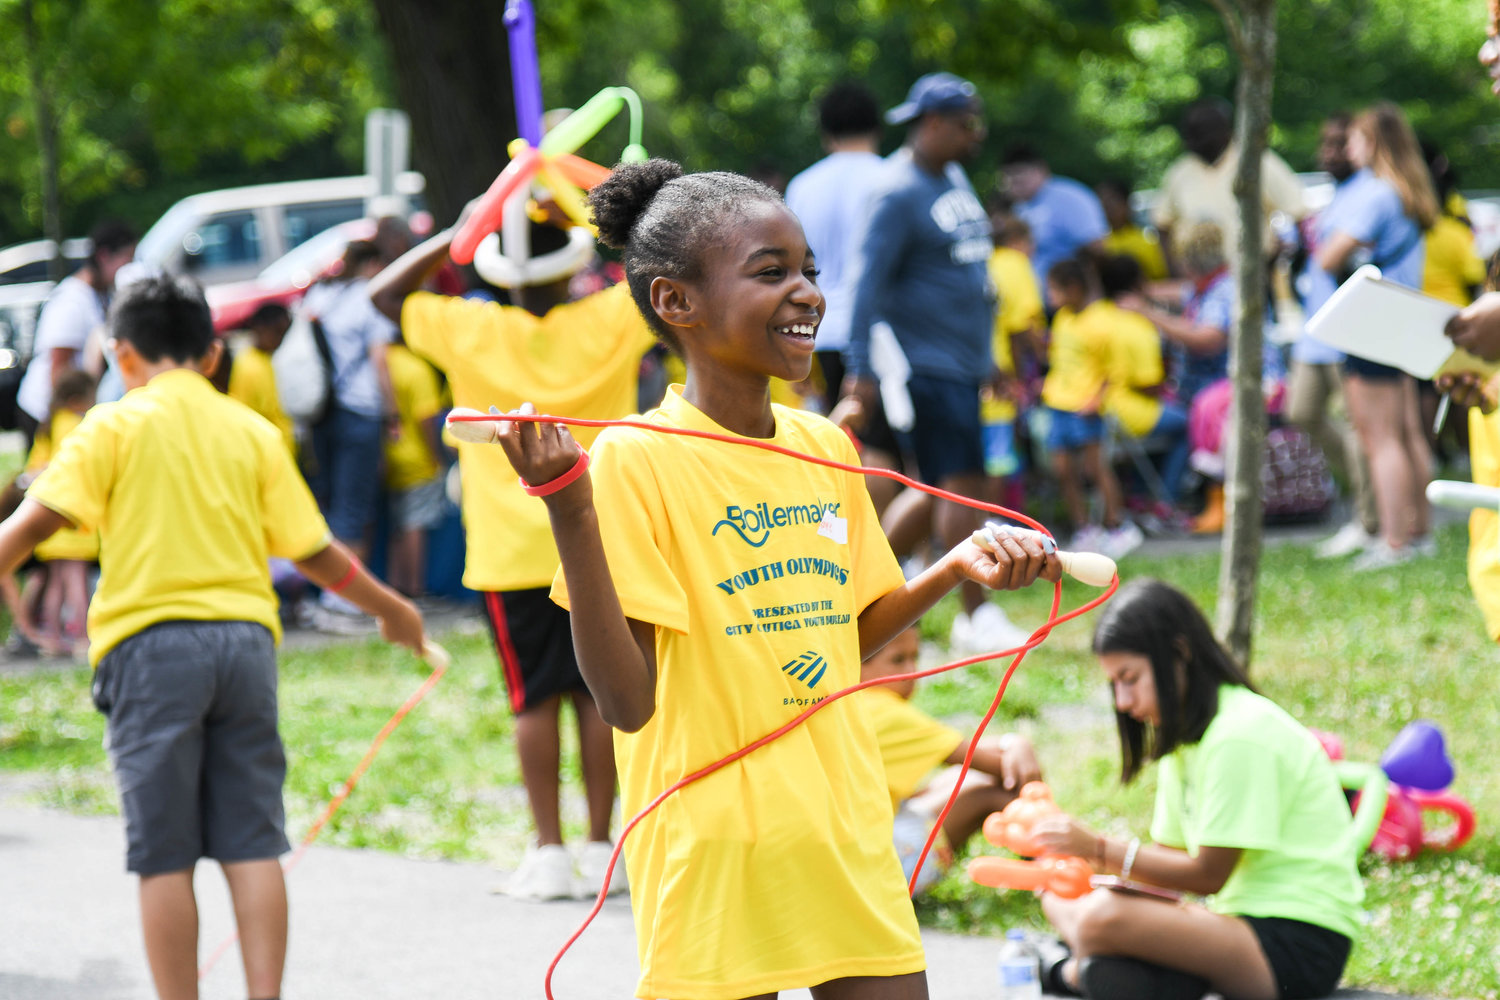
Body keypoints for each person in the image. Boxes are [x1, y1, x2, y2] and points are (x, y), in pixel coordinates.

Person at [484, 158, 1061, 1000]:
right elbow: (626, 705)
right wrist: (570, 511)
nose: (806, 294)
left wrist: (952, 567)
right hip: (713, 845)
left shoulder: (823, 445)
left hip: (842, 825)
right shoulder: (636, 458)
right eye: (770, 273)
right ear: (675, 302)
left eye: (808, 272)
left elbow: (848, 639)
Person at [0, 274, 424, 1000]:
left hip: (149, 648)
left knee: (164, 854)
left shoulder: (109, 425)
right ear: (209, 355)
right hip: (244, 648)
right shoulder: (250, 431)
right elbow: (315, 550)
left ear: (120, 353)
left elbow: (25, 532)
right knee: (253, 842)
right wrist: (393, 610)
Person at [369, 213, 654, 900]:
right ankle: (601, 843)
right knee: (596, 692)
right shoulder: (611, 318)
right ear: (569, 265)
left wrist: (464, 228)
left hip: (508, 548)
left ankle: (549, 851)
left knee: (533, 700)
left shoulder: (469, 328)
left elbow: (382, 297)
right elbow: (659, 265)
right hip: (597, 535)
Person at [1029, 579, 1362, 1000]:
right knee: (1081, 905)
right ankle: (1107, 973)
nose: (1122, 702)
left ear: (1179, 655)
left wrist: (1098, 849)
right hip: (1233, 925)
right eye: (1113, 683)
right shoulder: (1186, 740)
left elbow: (1207, 876)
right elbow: (1166, 869)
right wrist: (1086, 873)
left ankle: (1065, 969)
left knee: (1099, 918)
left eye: (1129, 678)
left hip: (1296, 943)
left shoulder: (1240, 734)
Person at [841, 72, 1030, 654]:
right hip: (924, 365)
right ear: (932, 125)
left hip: (963, 364)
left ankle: (856, 596)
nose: (977, 136)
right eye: (967, 124)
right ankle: (976, 615)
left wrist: (988, 357)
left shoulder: (951, 175)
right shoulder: (897, 193)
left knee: (932, 489)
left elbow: (965, 272)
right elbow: (866, 286)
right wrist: (859, 368)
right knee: (962, 488)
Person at [1310, 102, 1438, 570]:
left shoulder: (1377, 194)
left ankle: (1394, 541)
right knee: (1408, 436)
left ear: (1375, 142)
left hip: (1372, 324)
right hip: (1401, 320)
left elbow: (1328, 256)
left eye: (1359, 139)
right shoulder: (1408, 190)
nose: (1351, 147)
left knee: (1380, 438)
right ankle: (1418, 532)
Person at [857, 624, 1041, 894]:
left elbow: (962, 751)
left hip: (846, 846)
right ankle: (1050, 867)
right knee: (990, 791)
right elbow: (1005, 769)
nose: (912, 672)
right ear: (857, 664)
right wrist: (1018, 744)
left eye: (915, 657)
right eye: (898, 660)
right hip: (874, 873)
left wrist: (1011, 742)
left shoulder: (848, 703)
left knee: (954, 780)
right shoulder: (886, 712)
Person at [1288, 114, 1380, 560]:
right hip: (1314, 330)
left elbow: (1335, 259)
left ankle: (1369, 519)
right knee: (1300, 411)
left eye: (1338, 144)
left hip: (1348, 331)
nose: (1328, 152)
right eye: (1324, 143)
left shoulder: (1369, 192)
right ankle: (1366, 494)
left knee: (1356, 426)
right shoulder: (1334, 196)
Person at [303, 239, 399, 628]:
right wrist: (393, 412)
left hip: (321, 412)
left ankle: (331, 593)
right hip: (360, 411)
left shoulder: (321, 295)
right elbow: (380, 360)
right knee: (354, 505)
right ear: (374, 263)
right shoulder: (370, 299)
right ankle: (342, 598)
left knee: (332, 501)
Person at [1118, 222, 1235, 532]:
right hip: (1195, 388)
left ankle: (1169, 502)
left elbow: (1206, 339)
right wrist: (1137, 291)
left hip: (1226, 386)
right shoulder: (1203, 287)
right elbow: (1173, 291)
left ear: (1192, 260)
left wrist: (1147, 311)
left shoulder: (1225, 291)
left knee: (1187, 420)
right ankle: (1154, 498)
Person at [1040, 259, 1141, 557]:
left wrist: (1097, 399)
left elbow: (1115, 369)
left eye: (1054, 290)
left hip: (1085, 407)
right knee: (1063, 470)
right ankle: (1084, 527)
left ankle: (1116, 525)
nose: (1050, 297)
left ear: (1073, 288)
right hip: (1058, 404)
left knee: (1095, 468)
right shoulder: (1062, 318)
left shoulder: (1102, 321)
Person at [16, 219, 137, 446]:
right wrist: (62, 420)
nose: (130, 265)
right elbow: (58, 367)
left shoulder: (100, 294)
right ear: (104, 256)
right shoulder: (72, 300)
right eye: (127, 257)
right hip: (46, 410)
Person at [1150, 98, 1305, 272]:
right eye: (1190, 135)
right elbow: (1163, 225)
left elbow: (1299, 214)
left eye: (1202, 134)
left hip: (1253, 278)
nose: (1194, 141)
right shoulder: (1180, 172)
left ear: (1226, 131)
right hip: (1201, 284)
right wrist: (1175, 272)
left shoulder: (1256, 162)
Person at [1096, 255, 1190, 509]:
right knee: (1188, 423)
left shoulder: (1095, 316)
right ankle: (1166, 499)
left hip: (1099, 412)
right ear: (1138, 283)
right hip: (1128, 413)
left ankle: (1139, 492)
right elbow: (1149, 384)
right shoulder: (1137, 325)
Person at [24, 368, 99, 656]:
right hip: (74, 517)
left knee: (56, 582)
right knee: (76, 581)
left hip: (49, 511)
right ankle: (82, 637)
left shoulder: (48, 425)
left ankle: (53, 637)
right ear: (77, 399)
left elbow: (35, 467)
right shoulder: (77, 425)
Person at [1002, 143, 1108, 302]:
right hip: (1038, 302)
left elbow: (1096, 248)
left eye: (1021, 180)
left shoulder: (1070, 198)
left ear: (1041, 170)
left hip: (1072, 301)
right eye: (1010, 182)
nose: (1016, 187)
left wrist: (1090, 301)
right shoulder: (1019, 207)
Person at [382, 332, 446, 598]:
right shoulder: (416, 368)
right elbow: (426, 419)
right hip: (417, 458)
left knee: (398, 526)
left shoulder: (383, 361)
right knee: (415, 524)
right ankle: (415, 590)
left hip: (388, 457)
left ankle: (397, 587)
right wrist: (436, 457)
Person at [228, 302, 296, 458]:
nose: (280, 339)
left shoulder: (267, 359)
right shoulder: (249, 367)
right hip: (269, 455)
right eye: (278, 332)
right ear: (260, 328)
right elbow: (244, 416)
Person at [1097, 178, 1167, 281]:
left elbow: (1159, 278)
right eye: (1102, 202)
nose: (1107, 207)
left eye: (1112, 201)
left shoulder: (1146, 240)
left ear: (1126, 204)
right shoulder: (1097, 242)